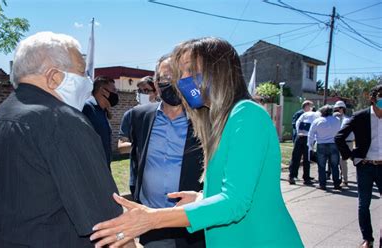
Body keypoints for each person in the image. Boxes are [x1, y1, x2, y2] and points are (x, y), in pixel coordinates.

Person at [91, 37, 303, 247]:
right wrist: (201, 197)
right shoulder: (222, 121)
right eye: (179, 73)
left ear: (218, 70)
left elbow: (235, 202)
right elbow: (236, 190)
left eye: (189, 70)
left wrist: (152, 219)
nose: (181, 80)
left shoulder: (246, 115)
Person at [0, 32, 126, 247]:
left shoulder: (1, 116)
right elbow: (108, 223)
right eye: (82, 72)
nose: (88, 83)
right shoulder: (61, 121)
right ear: (54, 77)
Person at [120, 55, 205, 248]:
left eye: (177, 76)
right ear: (157, 85)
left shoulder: (204, 119)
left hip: (190, 222)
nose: (171, 83)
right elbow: (136, 158)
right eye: (165, 78)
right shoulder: (139, 116)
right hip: (151, 223)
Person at [335, 85, 382, 248]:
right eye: (381, 99)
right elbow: (339, 137)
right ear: (373, 99)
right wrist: (352, 156)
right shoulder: (360, 116)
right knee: (364, 204)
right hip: (365, 167)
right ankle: (367, 239)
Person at [118, 76, 159, 193]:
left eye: (146, 90)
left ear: (156, 92)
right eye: (139, 91)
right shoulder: (130, 115)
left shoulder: (164, 114)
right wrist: (143, 144)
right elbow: (121, 147)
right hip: (138, 179)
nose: (142, 94)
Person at [82, 76, 118, 169]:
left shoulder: (102, 111)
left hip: (104, 167)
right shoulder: (87, 109)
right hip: (91, 168)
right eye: (113, 90)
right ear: (103, 90)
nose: (116, 93)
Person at [307, 105, 342, 190]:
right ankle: (336, 184)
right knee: (334, 165)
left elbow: (311, 134)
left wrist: (310, 146)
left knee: (321, 166)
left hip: (321, 144)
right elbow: (339, 132)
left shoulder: (317, 121)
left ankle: (322, 184)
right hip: (333, 144)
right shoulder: (337, 120)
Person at [289, 101, 319, 185]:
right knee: (303, 158)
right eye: (311, 106)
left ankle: (295, 176)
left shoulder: (305, 114)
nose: (312, 107)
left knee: (300, 158)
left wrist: (300, 132)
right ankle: (302, 177)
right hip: (305, 138)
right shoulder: (313, 115)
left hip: (302, 137)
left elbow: (298, 123)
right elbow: (296, 123)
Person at [333, 100, 353, 186]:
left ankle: (345, 179)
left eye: (338, 109)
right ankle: (341, 179)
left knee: (344, 160)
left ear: (343, 109)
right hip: (337, 142)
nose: (337, 111)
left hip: (347, 142)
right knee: (338, 161)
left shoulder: (348, 120)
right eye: (336, 109)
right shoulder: (333, 120)